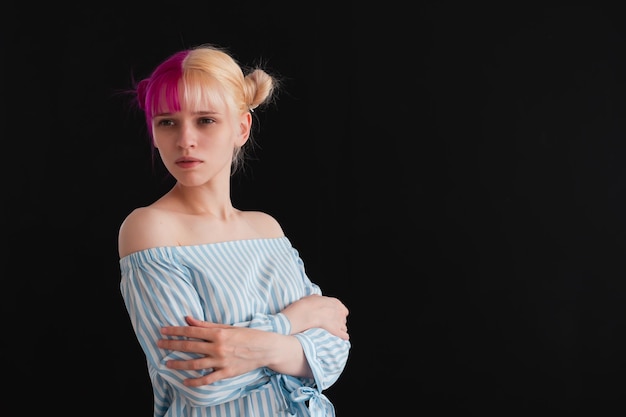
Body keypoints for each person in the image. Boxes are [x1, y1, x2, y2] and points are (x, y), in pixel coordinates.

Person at [117, 43, 351, 417]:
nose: (185, 140)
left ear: (241, 128)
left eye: (205, 120)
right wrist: (296, 322)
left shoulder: (266, 228)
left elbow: (335, 349)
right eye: (167, 122)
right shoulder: (149, 228)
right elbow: (203, 379)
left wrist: (254, 348)